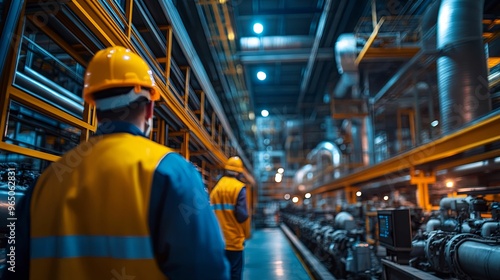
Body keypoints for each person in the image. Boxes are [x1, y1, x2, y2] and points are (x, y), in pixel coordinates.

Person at [7, 46, 229, 280]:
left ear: (95, 106)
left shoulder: (46, 182)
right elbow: (206, 269)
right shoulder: (171, 171)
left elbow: (13, 268)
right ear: (149, 108)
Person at [210, 156, 250, 280]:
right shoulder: (239, 188)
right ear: (239, 173)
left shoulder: (216, 189)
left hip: (218, 241)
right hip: (234, 242)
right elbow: (242, 215)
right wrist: (246, 235)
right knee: (234, 274)